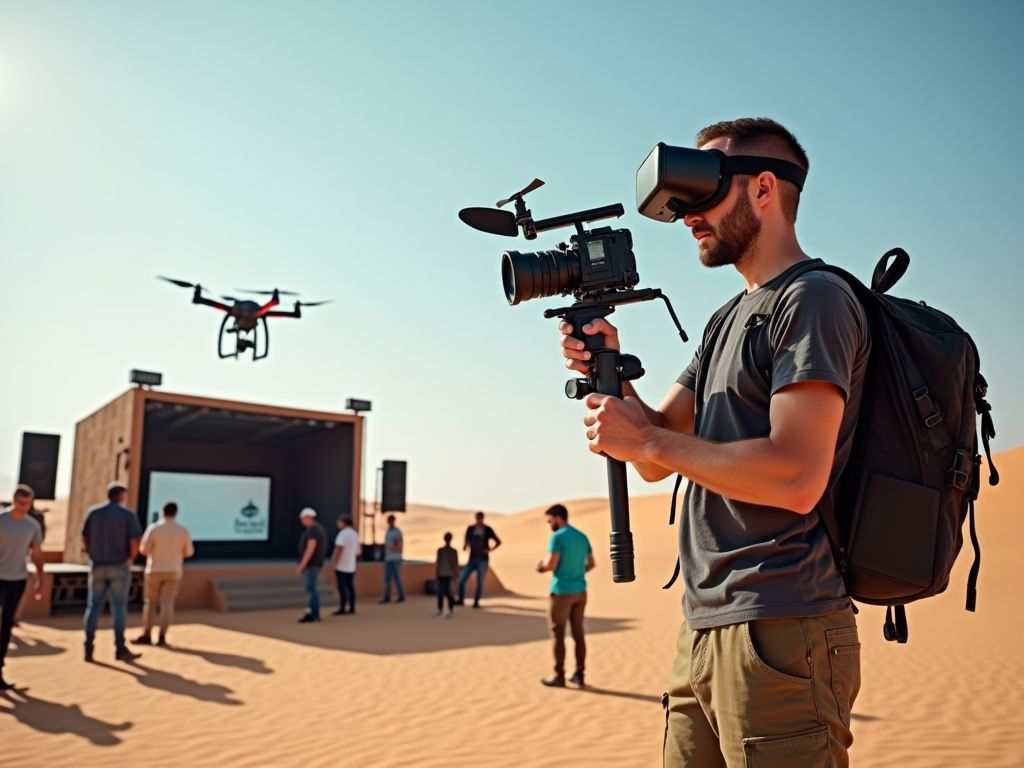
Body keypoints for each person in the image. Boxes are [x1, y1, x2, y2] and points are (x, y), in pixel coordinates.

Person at [561, 118, 866, 767]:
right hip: (703, 625)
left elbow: (795, 474)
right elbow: (655, 449)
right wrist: (608, 369)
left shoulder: (814, 299)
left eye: (702, 192)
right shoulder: (726, 319)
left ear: (763, 189)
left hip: (782, 625)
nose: (686, 217)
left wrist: (646, 443)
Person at [82, 482, 144, 662]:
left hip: (98, 564)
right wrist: (130, 558)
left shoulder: (94, 513)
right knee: (118, 607)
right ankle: (119, 648)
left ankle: (88, 648)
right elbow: (135, 540)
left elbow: (84, 537)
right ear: (122, 496)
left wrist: (91, 553)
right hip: (119, 565)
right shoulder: (127, 514)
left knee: (93, 606)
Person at [536, 504, 593, 688]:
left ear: (558, 517)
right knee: (578, 633)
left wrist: (540, 567)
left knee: (558, 633)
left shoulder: (558, 537)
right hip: (580, 591)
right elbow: (591, 563)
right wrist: (576, 572)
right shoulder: (582, 536)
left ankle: (559, 675)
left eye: (550, 520)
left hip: (561, 592)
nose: (549, 524)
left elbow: (551, 565)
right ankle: (579, 674)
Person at [0, 485, 45, 690]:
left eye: (28, 504)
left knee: (7, 625)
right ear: (14, 500)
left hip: (17, 579)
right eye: (20, 503)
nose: (24, 507)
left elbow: (37, 553)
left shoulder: (32, 525)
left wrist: (40, 578)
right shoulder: (1, 520)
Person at [133, 501, 194, 646]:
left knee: (150, 603)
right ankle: (162, 636)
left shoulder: (154, 528)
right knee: (167, 604)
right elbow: (189, 552)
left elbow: (145, 550)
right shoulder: (182, 530)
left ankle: (147, 634)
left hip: (154, 570)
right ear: (176, 513)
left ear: (163, 512)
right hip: (174, 570)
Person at [456, 511, 501, 608]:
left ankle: (476, 601)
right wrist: (465, 546)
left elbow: (498, 541)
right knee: (462, 578)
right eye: (477, 518)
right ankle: (460, 599)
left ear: (482, 518)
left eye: (480, 518)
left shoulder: (487, 529)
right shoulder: (470, 529)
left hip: (483, 560)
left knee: (479, 581)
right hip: (472, 559)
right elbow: (466, 540)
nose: (479, 520)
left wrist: (489, 550)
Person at [296, 507, 327, 623]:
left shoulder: (313, 530)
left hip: (311, 565)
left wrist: (302, 565)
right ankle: (314, 613)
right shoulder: (316, 529)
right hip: (314, 564)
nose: (301, 521)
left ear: (307, 518)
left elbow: (310, 548)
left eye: (303, 518)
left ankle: (312, 613)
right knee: (311, 588)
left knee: (310, 588)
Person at [330, 516, 360, 615]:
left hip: (342, 565)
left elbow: (339, 548)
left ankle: (342, 608)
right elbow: (358, 551)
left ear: (344, 523)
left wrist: (335, 562)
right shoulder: (355, 534)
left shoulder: (342, 534)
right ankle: (352, 607)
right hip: (351, 565)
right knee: (350, 586)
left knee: (342, 587)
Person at [379, 514, 405, 604]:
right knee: (387, 578)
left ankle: (401, 596)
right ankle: (387, 597)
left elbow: (398, 545)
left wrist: (392, 548)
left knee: (396, 577)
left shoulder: (396, 532)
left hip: (395, 558)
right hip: (388, 558)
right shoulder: (388, 531)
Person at [434, 532, 459, 618]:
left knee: (442, 592)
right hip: (448, 574)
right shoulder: (452, 551)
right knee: (448, 592)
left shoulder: (441, 550)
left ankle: (441, 610)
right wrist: (456, 575)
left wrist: (436, 573)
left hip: (442, 573)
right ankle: (449, 610)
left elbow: (438, 563)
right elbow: (455, 564)